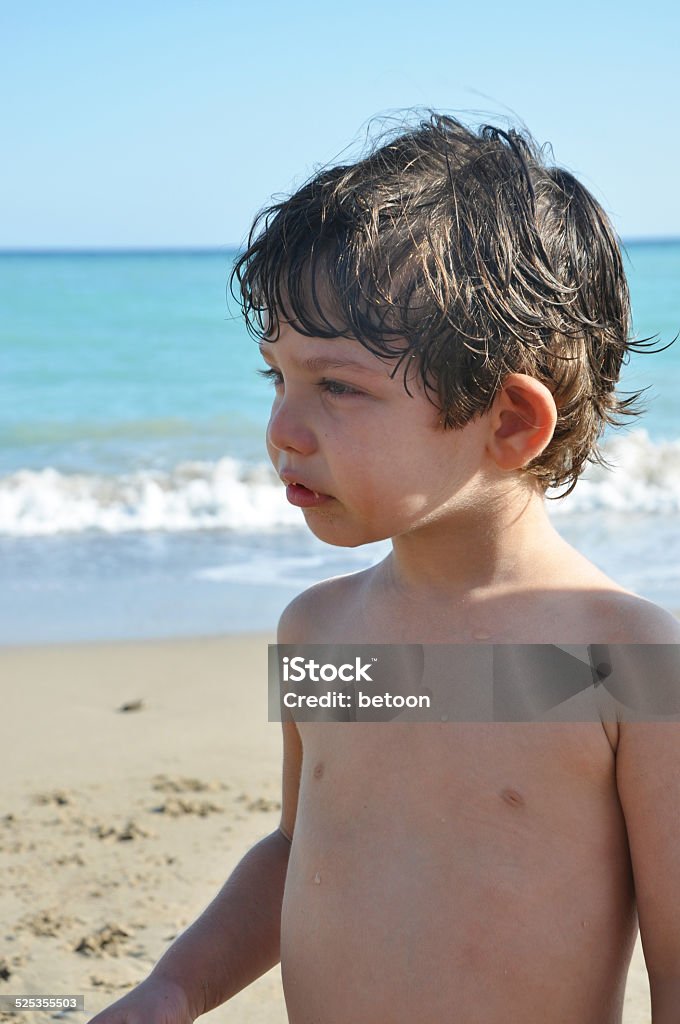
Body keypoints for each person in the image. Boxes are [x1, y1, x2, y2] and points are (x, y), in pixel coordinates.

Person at [89, 113, 680, 1024]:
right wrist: (174, 987)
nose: (283, 427)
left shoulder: (620, 661)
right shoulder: (320, 629)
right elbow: (298, 849)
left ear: (510, 423)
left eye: (336, 386)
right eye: (274, 378)